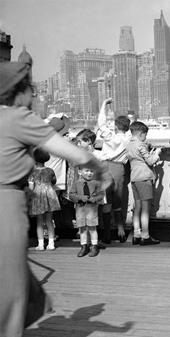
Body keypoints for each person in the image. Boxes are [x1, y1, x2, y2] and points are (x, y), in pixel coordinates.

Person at [0, 61, 111, 337]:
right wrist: (100, 170)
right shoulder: (19, 118)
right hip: (5, 208)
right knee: (10, 288)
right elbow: (75, 154)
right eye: (32, 91)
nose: (34, 96)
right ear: (20, 91)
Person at [96, 98, 131, 244]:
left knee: (106, 202)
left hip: (106, 167)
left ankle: (107, 234)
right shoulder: (129, 140)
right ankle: (121, 231)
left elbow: (101, 124)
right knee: (117, 201)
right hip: (120, 169)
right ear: (127, 128)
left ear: (116, 127)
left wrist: (104, 103)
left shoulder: (111, 137)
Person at [126, 121, 162, 246]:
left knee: (137, 208)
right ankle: (145, 235)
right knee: (146, 209)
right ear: (141, 134)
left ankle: (136, 234)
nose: (145, 137)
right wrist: (156, 153)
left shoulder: (129, 145)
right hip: (144, 178)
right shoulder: (141, 145)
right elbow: (150, 161)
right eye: (145, 135)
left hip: (134, 178)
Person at [68, 166, 105, 257]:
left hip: (91, 208)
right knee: (82, 228)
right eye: (87, 171)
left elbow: (101, 195)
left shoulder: (96, 183)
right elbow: (71, 195)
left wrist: (94, 199)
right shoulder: (76, 183)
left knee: (92, 227)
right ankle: (84, 246)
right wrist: (80, 197)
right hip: (80, 208)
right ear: (80, 172)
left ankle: (94, 245)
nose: (89, 173)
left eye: (91, 171)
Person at [28, 148, 60, 251]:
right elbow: (54, 182)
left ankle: (40, 244)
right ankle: (51, 243)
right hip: (50, 194)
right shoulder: (50, 170)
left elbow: (31, 187)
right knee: (49, 221)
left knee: (40, 221)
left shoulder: (32, 172)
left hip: (38, 195)